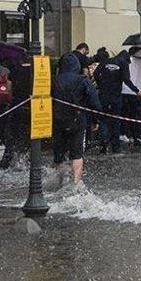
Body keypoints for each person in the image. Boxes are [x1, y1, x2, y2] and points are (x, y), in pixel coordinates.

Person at [52, 53, 101, 184]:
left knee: (59, 153)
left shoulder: (53, 80)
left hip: (57, 120)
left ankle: (59, 181)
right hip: (77, 120)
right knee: (77, 153)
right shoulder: (83, 80)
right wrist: (95, 120)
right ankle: (76, 182)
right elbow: (95, 103)